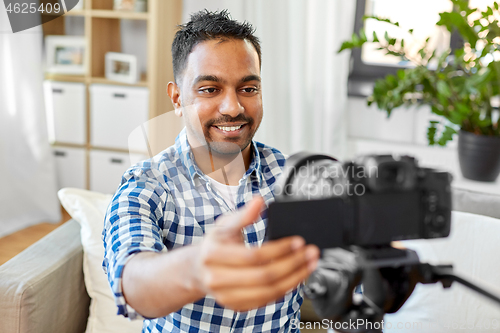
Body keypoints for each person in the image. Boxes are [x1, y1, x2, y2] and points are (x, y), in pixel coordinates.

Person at [102, 10, 320, 333]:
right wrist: (198, 267)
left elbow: (350, 283)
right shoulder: (146, 185)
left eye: (248, 89)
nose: (233, 107)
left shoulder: (295, 178)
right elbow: (132, 282)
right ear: (177, 99)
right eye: (209, 89)